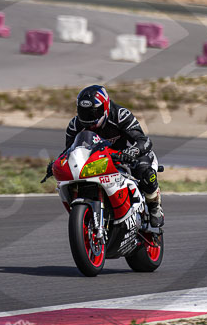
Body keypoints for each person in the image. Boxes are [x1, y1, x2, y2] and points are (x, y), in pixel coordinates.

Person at [50, 84, 164, 227]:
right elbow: (69, 150)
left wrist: (132, 152)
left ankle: (154, 206)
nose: (88, 118)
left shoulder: (120, 115)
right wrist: (57, 163)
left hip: (126, 156)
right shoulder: (75, 125)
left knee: (144, 169)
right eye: (83, 112)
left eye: (93, 113)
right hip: (98, 159)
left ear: (105, 107)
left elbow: (143, 140)